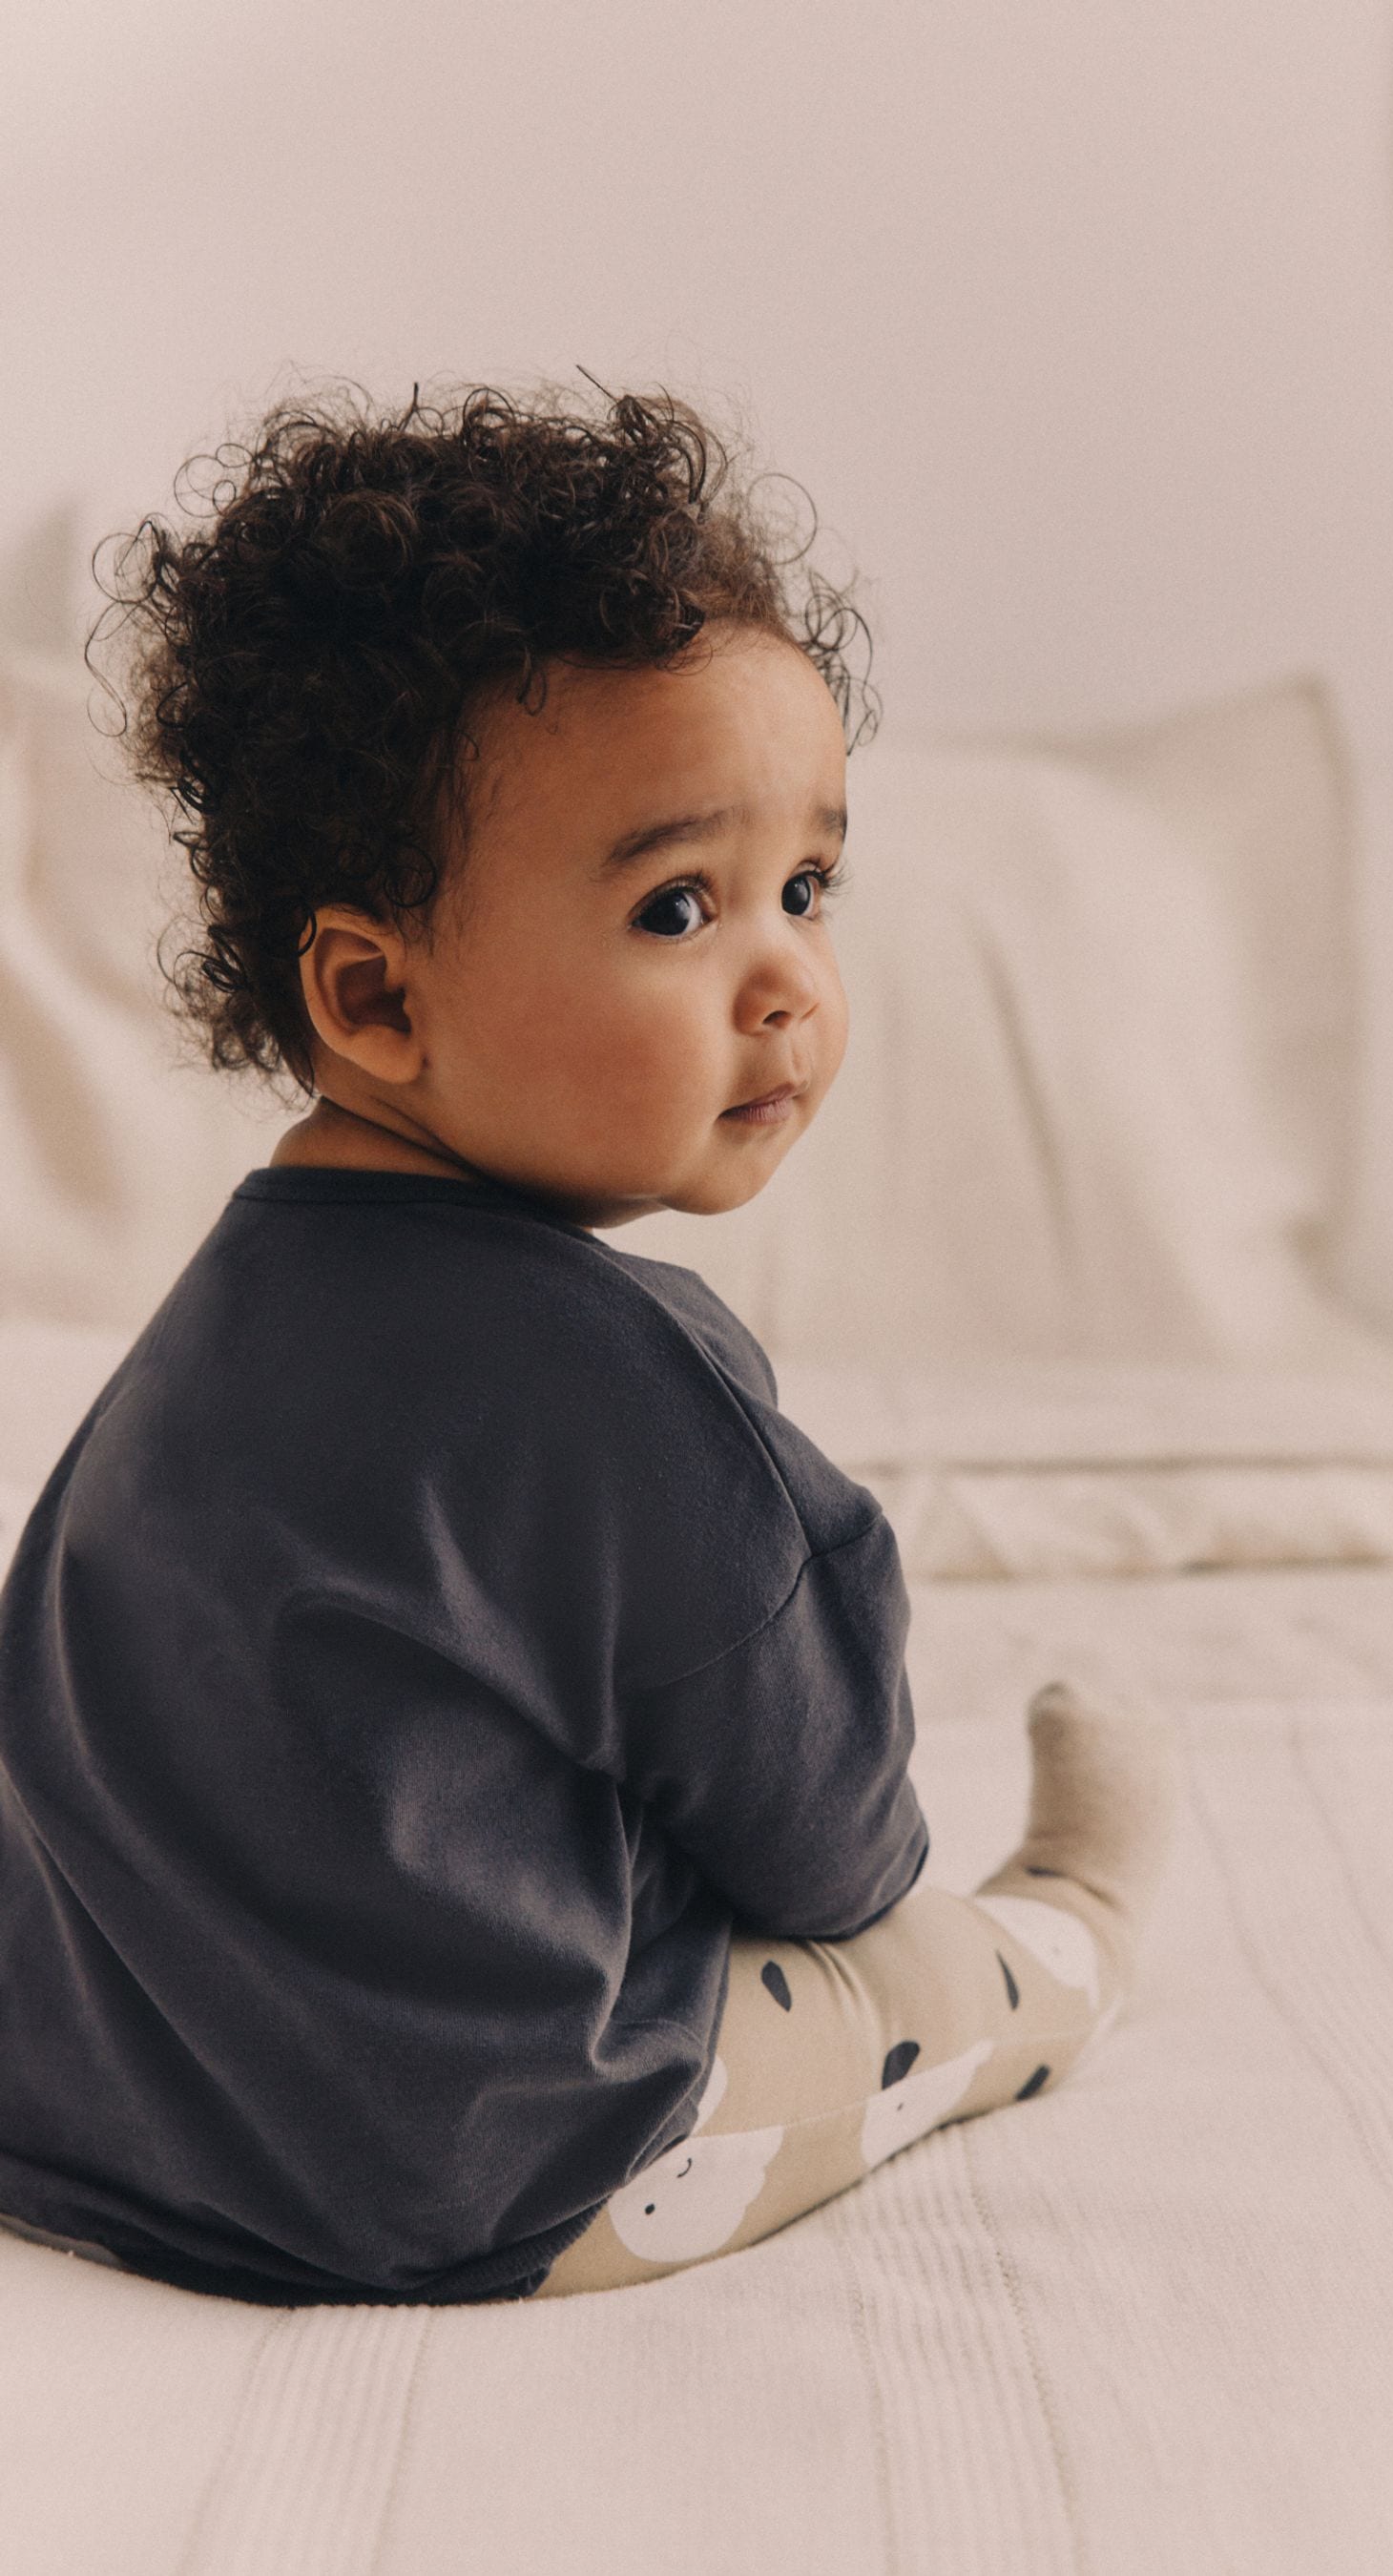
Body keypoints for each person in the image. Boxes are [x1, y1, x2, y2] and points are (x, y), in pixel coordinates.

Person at [0, 384, 1175, 2306]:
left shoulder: (209, 1330)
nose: (788, 973)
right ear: (377, 993)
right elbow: (831, 1852)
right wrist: (869, 1904)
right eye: (680, 905)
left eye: (809, 889)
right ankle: (1085, 1932)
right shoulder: (623, 1384)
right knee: (913, 1983)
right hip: (476, 2170)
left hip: (106, 2123)